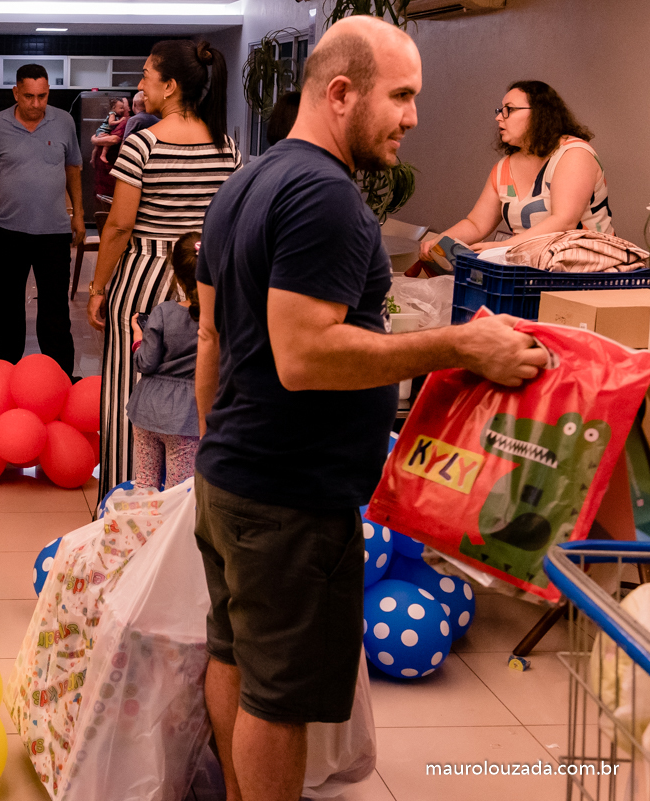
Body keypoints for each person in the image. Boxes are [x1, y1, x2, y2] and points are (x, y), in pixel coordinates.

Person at [192, 18, 547, 801]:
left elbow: (212, 339)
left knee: (232, 656)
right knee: (277, 700)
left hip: (230, 478)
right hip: (290, 497)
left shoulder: (243, 183)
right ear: (342, 91)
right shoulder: (326, 196)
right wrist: (461, 347)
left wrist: (221, 446)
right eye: (403, 96)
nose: (414, 117)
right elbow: (305, 352)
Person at [86, 39, 241, 502]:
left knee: (128, 395)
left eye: (147, 76)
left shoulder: (142, 143)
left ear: (170, 86)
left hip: (146, 277)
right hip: (204, 284)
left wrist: (97, 288)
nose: (140, 85)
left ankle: (122, 505)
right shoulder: (226, 146)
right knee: (203, 391)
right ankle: (189, 509)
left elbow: (118, 226)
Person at [0, 63, 85, 378]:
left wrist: (79, 215)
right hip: (8, 233)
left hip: (55, 234)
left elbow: (74, 168)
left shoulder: (63, 122)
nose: (36, 104)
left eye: (43, 96)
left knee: (55, 313)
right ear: (15, 93)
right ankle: (5, 375)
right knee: (7, 311)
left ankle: (60, 378)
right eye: (29, 97)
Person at [420, 79, 611, 261]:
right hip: (531, 271)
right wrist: (441, 240)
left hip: (587, 271)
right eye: (500, 110)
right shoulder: (503, 167)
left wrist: (504, 247)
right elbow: (476, 224)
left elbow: (564, 221)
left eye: (508, 110)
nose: (498, 117)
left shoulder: (574, 153)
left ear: (539, 113)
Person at [126, 230, 201, 490]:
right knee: (177, 493)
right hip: (187, 418)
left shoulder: (163, 312)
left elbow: (145, 363)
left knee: (144, 486)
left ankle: (139, 531)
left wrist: (139, 337)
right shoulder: (220, 318)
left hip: (146, 411)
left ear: (177, 276)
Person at [91, 97, 130, 196]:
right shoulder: (118, 118)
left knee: (108, 195)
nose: (123, 109)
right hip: (104, 169)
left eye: (123, 107)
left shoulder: (124, 122)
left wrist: (95, 140)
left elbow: (114, 139)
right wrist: (94, 139)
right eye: (120, 107)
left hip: (111, 167)